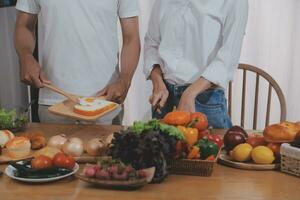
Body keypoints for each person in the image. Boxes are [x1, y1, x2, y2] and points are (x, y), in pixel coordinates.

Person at [14, 0, 141, 125]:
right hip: (53, 101)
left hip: (104, 101)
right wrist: (25, 57)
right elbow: (24, 26)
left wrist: (125, 80)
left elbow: (131, 37)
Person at [144, 0, 248, 129]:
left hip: (205, 101)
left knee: (211, 148)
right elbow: (152, 43)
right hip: (164, 98)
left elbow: (228, 57)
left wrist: (189, 94)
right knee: (159, 149)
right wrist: (157, 82)